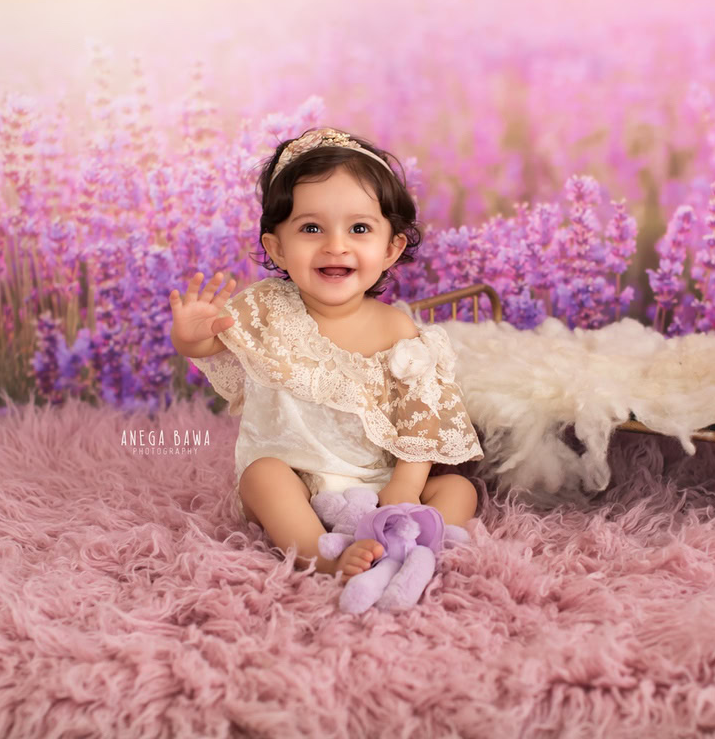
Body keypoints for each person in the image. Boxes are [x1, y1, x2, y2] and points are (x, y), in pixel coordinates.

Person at [167, 127, 484, 580]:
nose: (336, 245)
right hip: (297, 481)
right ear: (278, 247)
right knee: (262, 476)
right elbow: (213, 343)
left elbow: (422, 420)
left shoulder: (398, 330)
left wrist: (404, 486)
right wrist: (191, 337)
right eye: (311, 228)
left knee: (458, 488)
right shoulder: (266, 308)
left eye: (359, 228)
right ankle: (324, 554)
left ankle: (412, 543)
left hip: (378, 485)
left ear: (391, 248)